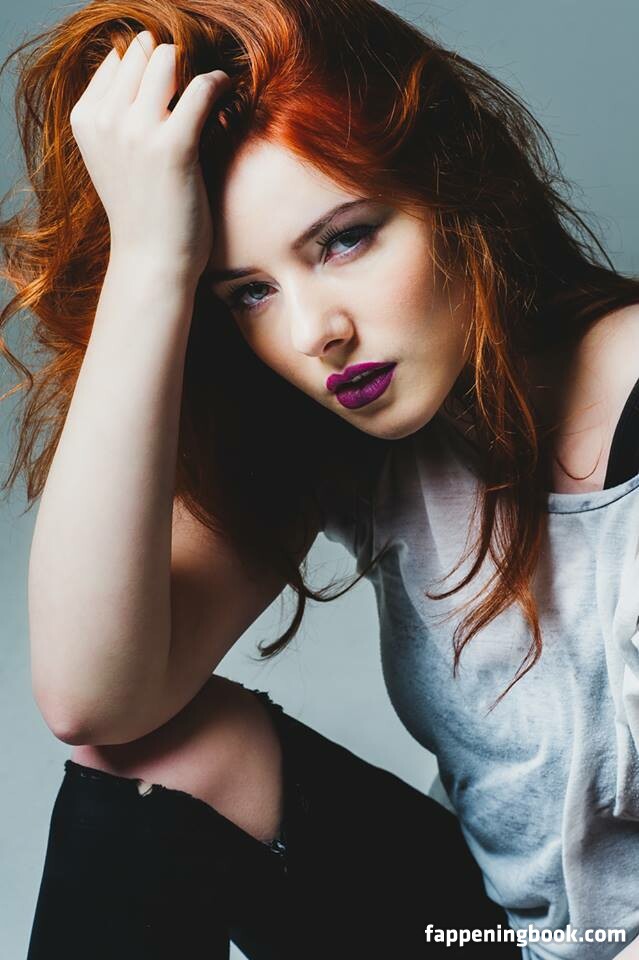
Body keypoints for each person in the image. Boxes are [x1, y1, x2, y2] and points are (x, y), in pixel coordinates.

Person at [1, 1, 638, 957]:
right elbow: (96, 700)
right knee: (160, 756)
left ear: (455, 186)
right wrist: (149, 261)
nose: (313, 334)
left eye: (344, 239)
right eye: (249, 292)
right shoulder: (356, 435)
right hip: (478, 938)